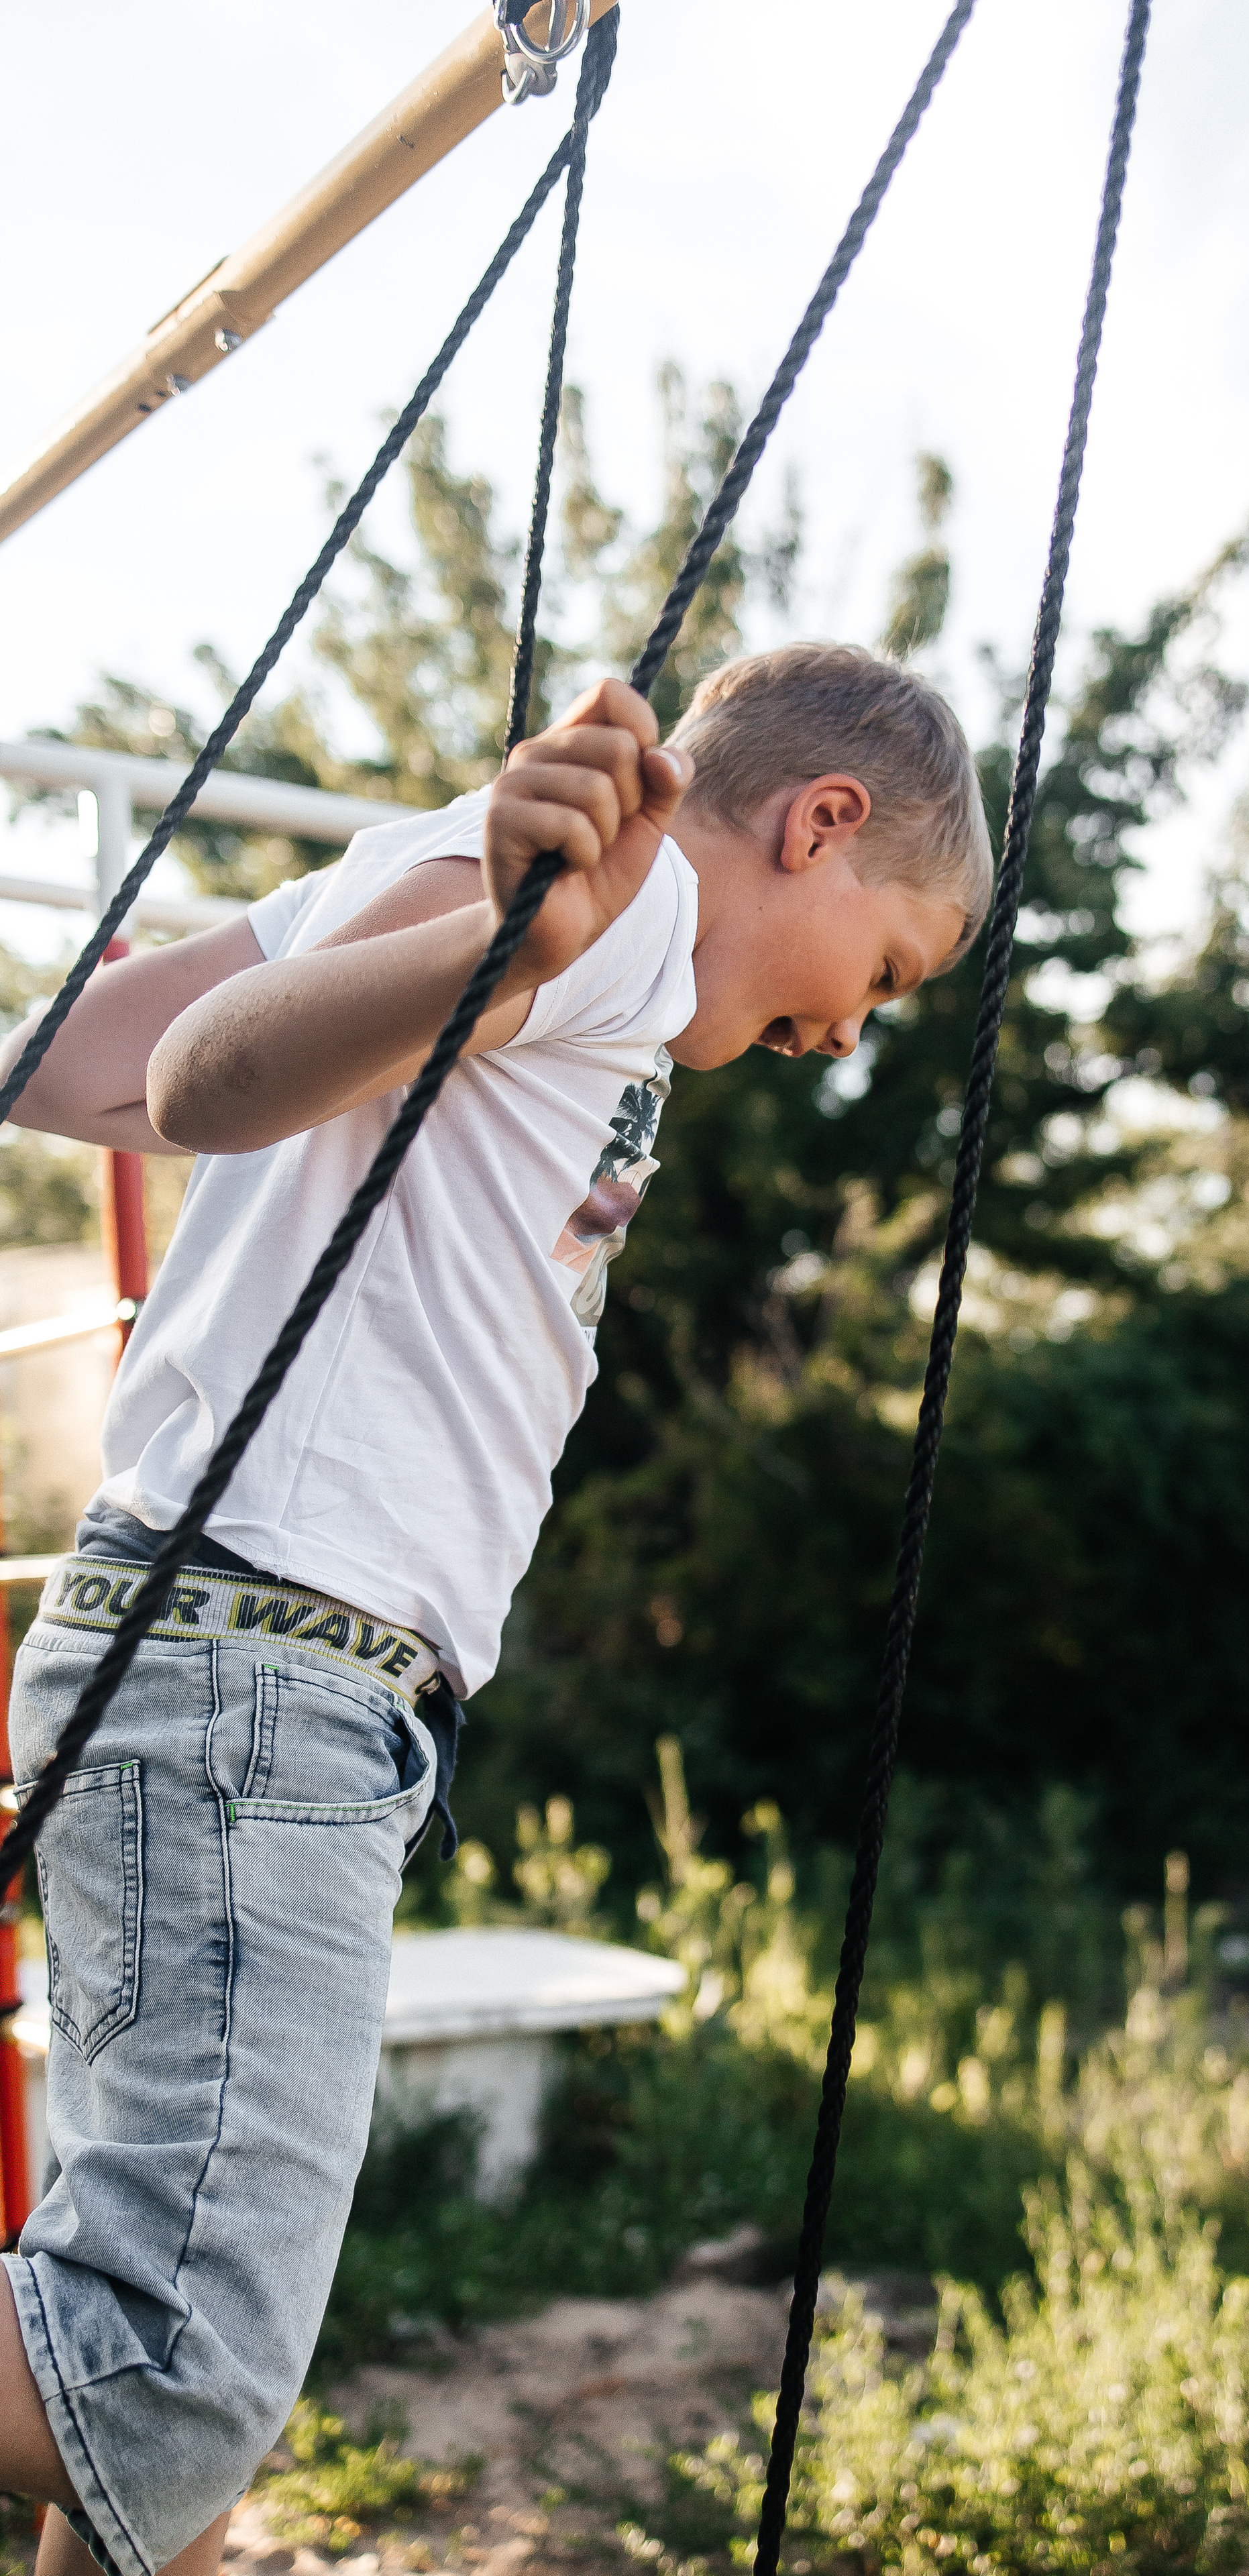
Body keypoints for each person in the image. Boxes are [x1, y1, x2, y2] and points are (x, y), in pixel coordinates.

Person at [0, 645, 992, 2576]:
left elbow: (67, 1061)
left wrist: (462, 939)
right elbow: (199, 1087)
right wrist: (510, 949)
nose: (845, 1037)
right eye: (882, 973)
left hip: (203, 1658)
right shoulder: (626, 916)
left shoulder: (460, 871)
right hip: (264, 1663)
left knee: (153, 2442)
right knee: (162, 2387)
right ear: (822, 824)